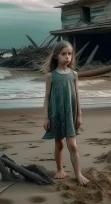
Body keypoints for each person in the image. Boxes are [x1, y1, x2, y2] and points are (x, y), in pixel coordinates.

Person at [42, 40, 89, 185]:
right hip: (56, 113)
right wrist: (45, 117)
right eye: (64, 54)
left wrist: (79, 114)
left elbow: (77, 94)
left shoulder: (74, 74)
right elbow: (47, 97)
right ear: (56, 56)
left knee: (72, 145)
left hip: (71, 114)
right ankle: (59, 169)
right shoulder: (51, 76)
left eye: (70, 54)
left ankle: (78, 173)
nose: (67, 57)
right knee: (59, 144)